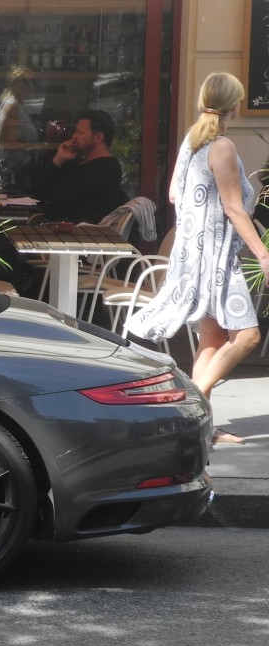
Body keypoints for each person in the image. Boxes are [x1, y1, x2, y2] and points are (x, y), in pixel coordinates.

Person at [125, 72, 269, 445]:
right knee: (248, 337)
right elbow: (235, 209)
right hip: (216, 255)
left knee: (213, 339)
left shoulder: (192, 140)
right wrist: (264, 254)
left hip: (192, 253)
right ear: (235, 105)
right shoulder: (221, 146)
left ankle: (200, 429)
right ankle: (186, 408)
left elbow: (174, 194)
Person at [30, 109, 128, 225]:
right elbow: (39, 192)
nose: (74, 136)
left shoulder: (106, 168)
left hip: (78, 235)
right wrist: (59, 159)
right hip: (56, 228)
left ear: (98, 137)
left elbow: (55, 198)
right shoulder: (78, 163)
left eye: (80, 132)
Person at [0, 66, 41, 194]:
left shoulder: (15, 103)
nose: (29, 85)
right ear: (13, 83)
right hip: (12, 175)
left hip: (16, 172)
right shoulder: (13, 106)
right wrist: (32, 147)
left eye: (33, 82)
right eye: (24, 81)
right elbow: (7, 143)